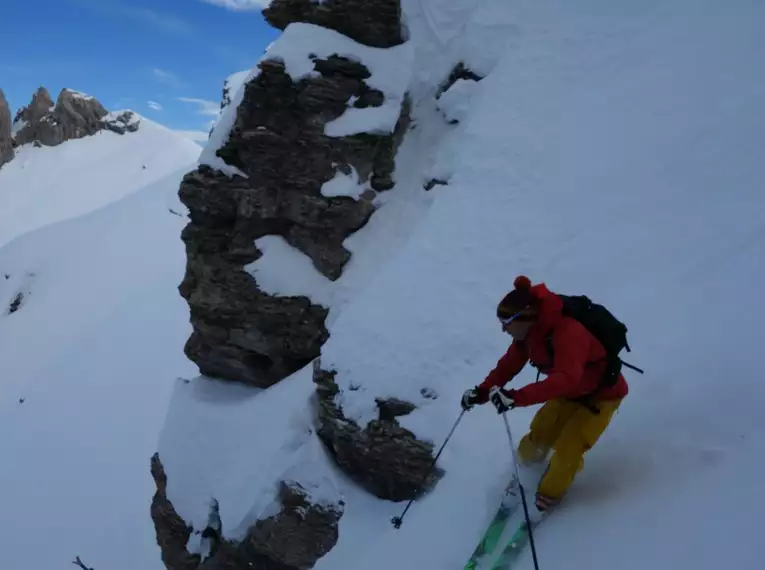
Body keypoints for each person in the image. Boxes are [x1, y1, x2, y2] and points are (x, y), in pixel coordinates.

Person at [461, 275, 628, 512]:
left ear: (524, 318)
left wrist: (516, 398)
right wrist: (481, 392)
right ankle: (525, 476)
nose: (503, 329)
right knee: (538, 436)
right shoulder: (529, 336)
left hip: (601, 396)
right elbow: (507, 366)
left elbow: (565, 379)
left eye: (506, 322)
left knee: (568, 449)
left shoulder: (569, 333)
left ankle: (549, 494)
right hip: (567, 394)